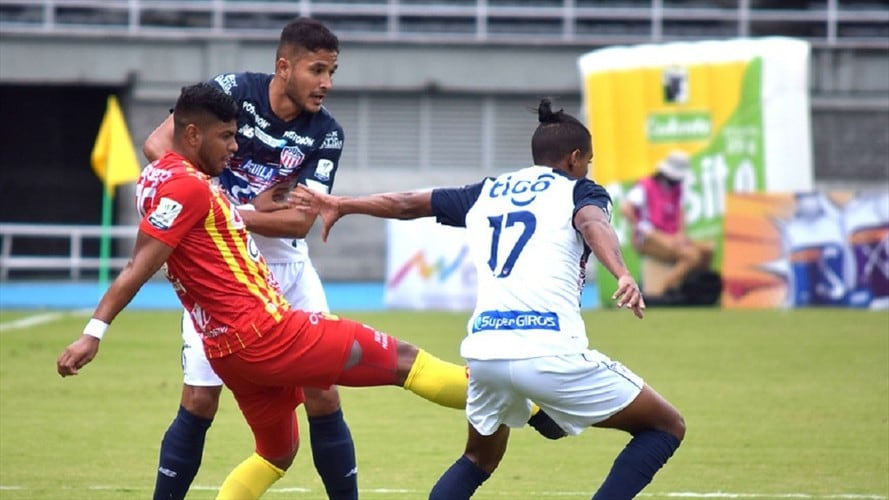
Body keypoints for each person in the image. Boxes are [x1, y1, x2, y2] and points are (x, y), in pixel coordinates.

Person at [140, 17, 563, 500]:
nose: (327, 84)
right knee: (199, 399)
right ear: (284, 67)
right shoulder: (231, 92)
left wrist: (222, 212)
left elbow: (301, 222)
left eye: (332, 72)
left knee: (322, 394)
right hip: (220, 273)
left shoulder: (326, 134)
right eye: (317, 70)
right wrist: (215, 206)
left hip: (285, 268)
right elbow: (159, 144)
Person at [57, 82, 463, 499]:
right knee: (405, 362)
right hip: (269, 334)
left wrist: (247, 207)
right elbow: (138, 267)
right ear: (193, 134)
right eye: (227, 137)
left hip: (227, 351)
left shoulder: (158, 180)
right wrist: (94, 332)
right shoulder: (191, 189)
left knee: (277, 451)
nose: (235, 148)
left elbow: (206, 216)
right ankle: (513, 395)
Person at [294, 99, 686, 499]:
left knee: (477, 460)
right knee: (666, 427)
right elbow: (591, 221)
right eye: (587, 160)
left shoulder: (489, 192)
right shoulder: (580, 190)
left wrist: (343, 204)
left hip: (485, 356)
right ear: (573, 158)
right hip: (550, 351)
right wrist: (622, 272)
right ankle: (547, 415)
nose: (587, 168)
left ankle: (543, 414)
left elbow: (408, 203)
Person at [619, 150, 714, 298]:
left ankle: (693, 289)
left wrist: (681, 234)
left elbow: (680, 213)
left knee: (707, 250)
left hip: (671, 237)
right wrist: (643, 228)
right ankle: (664, 291)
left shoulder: (677, 190)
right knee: (692, 256)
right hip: (648, 239)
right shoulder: (646, 186)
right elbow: (625, 209)